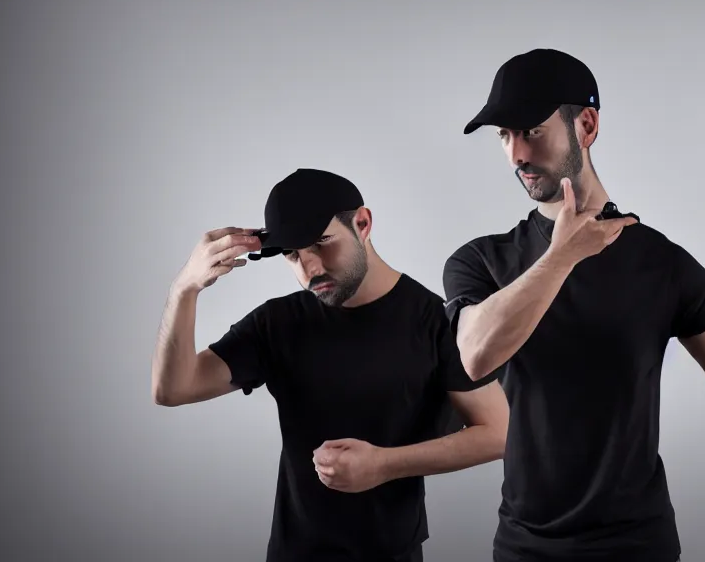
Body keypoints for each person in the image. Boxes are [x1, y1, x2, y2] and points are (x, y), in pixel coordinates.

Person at [441, 48, 705, 562]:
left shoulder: (662, 264)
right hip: (526, 547)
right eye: (504, 136)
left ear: (586, 125)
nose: (516, 154)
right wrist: (562, 256)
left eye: (530, 130)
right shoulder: (480, 261)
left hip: (638, 546)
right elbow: (476, 356)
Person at [151, 168, 510, 562]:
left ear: (363, 223)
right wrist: (184, 289)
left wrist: (385, 465)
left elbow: (498, 433)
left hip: (392, 553)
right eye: (292, 255)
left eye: (321, 243)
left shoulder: (432, 321)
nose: (310, 270)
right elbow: (174, 388)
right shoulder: (277, 323)